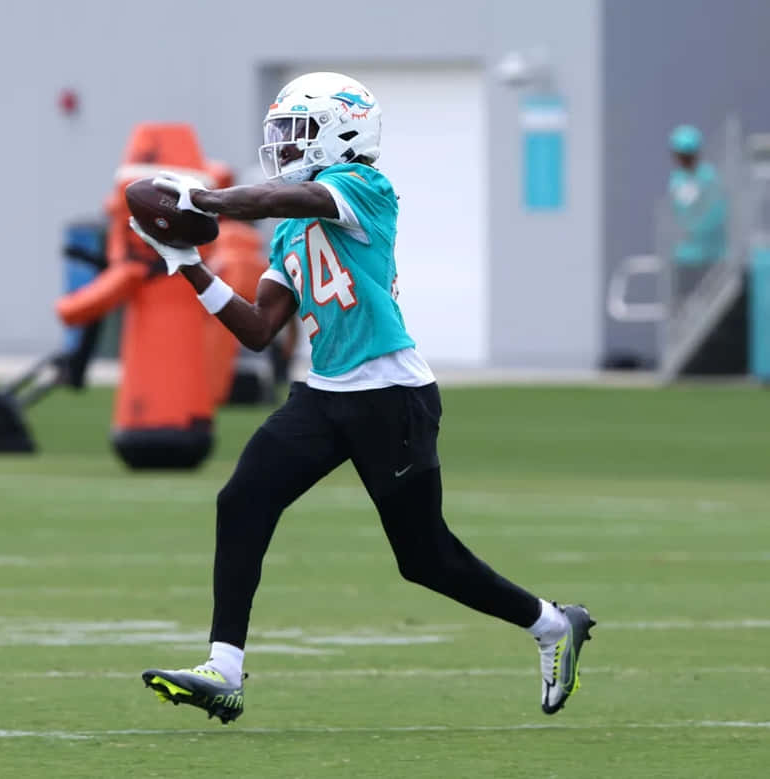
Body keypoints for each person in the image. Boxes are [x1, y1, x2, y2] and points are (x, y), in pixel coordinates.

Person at [131, 72, 595, 725]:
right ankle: (225, 669)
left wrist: (204, 199)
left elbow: (275, 197)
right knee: (243, 498)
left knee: (425, 558)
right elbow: (259, 330)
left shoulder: (361, 187)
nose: (285, 146)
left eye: (296, 132)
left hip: (390, 396)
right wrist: (186, 261)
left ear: (343, 131)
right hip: (323, 395)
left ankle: (552, 623)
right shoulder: (292, 227)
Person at [667, 124, 728, 301]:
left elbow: (715, 215)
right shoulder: (676, 180)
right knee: (686, 304)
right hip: (687, 259)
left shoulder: (709, 178)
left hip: (712, 257)